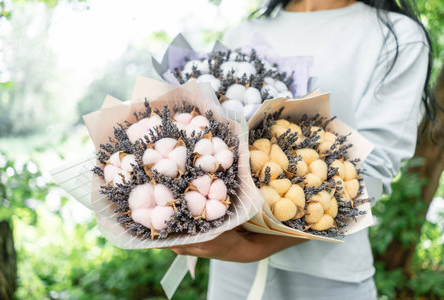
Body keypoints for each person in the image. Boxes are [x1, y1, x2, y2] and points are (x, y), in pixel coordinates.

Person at [170, 0, 436, 299]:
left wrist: (257, 246)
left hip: (327, 274)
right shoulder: (244, 33)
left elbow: (374, 169)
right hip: (232, 273)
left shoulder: (398, 36)